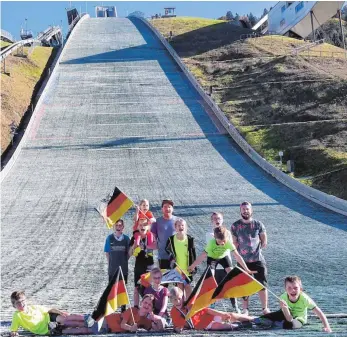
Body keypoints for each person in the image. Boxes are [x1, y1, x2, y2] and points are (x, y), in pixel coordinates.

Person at [254, 276, 332, 332]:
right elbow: (287, 316)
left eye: (295, 288)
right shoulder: (283, 297)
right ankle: (253, 319)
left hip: (298, 319)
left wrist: (327, 327)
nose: (293, 290)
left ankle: (276, 323)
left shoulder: (305, 299)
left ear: (300, 289)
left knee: (291, 325)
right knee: (263, 318)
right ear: (285, 289)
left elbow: (320, 313)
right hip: (286, 315)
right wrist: (284, 309)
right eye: (289, 288)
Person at [231, 201, 269, 315]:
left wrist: (256, 251)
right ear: (240, 211)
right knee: (244, 285)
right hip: (243, 261)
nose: (245, 211)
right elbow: (234, 242)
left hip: (258, 260)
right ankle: (245, 309)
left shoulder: (258, 224)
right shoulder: (235, 226)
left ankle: (264, 308)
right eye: (243, 209)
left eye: (247, 209)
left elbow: (264, 240)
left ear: (251, 210)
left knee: (262, 284)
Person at [169, 287, 254, 332]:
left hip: (208, 316)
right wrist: (178, 329)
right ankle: (241, 325)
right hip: (201, 325)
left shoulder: (189, 303)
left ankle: (253, 319)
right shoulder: (173, 312)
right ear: (171, 300)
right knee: (222, 326)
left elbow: (207, 310)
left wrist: (221, 314)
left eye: (179, 298)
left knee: (229, 315)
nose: (178, 301)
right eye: (175, 299)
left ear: (182, 297)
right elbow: (178, 325)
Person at [9, 291, 87, 336]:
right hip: (47, 329)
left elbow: (50, 310)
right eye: (18, 303)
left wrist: (60, 312)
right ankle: (90, 328)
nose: (21, 304)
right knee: (70, 330)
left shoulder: (33, 307)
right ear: (14, 305)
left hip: (49, 318)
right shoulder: (17, 315)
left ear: (26, 300)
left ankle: (88, 319)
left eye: (23, 301)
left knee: (66, 318)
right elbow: (13, 330)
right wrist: (14, 333)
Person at [188, 226, 255, 276]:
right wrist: (193, 266)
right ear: (215, 237)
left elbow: (237, 256)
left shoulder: (229, 243)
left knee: (231, 272)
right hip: (212, 258)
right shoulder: (211, 243)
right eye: (220, 241)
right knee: (211, 274)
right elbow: (202, 256)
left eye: (224, 241)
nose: (222, 243)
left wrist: (246, 269)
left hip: (223, 257)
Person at [206, 212, 239, 312]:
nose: (217, 220)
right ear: (212, 221)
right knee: (213, 286)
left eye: (219, 218)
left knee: (231, 285)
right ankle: (212, 305)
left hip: (226, 264)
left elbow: (229, 248)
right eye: (215, 219)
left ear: (222, 220)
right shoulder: (209, 234)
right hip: (215, 266)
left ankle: (235, 306)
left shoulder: (228, 233)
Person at [104, 219, 130, 312]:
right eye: (117, 225)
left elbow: (129, 253)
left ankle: (123, 309)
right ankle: (111, 308)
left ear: (123, 227)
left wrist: (124, 261)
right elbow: (107, 252)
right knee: (112, 289)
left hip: (123, 268)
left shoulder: (126, 239)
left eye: (120, 225)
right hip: (112, 269)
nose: (118, 227)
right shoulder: (109, 238)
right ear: (114, 227)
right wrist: (110, 263)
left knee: (123, 289)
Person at [165, 218, 196, 298]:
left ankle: (189, 305)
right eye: (178, 225)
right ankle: (181, 306)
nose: (181, 227)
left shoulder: (189, 239)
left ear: (185, 227)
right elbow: (167, 250)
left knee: (188, 287)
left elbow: (193, 253)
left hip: (187, 268)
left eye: (182, 225)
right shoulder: (171, 239)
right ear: (175, 227)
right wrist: (172, 258)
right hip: (177, 269)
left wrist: (193, 266)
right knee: (180, 289)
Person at [129, 219, 156, 308]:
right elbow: (130, 253)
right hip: (139, 266)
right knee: (137, 288)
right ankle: (136, 308)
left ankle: (151, 308)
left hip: (149, 267)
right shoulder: (134, 237)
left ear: (148, 227)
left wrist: (145, 246)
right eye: (140, 225)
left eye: (144, 224)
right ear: (138, 227)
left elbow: (157, 246)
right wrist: (134, 245)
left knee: (149, 289)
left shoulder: (151, 236)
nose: (142, 226)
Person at [151, 199, 177, 269]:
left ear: (172, 209)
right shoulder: (157, 222)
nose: (167, 209)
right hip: (162, 257)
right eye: (165, 207)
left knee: (176, 279)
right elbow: (153, 238)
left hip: (176, 257)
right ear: (162, 209)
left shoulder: (179, 221)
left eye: (169, 207)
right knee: (164, 278)